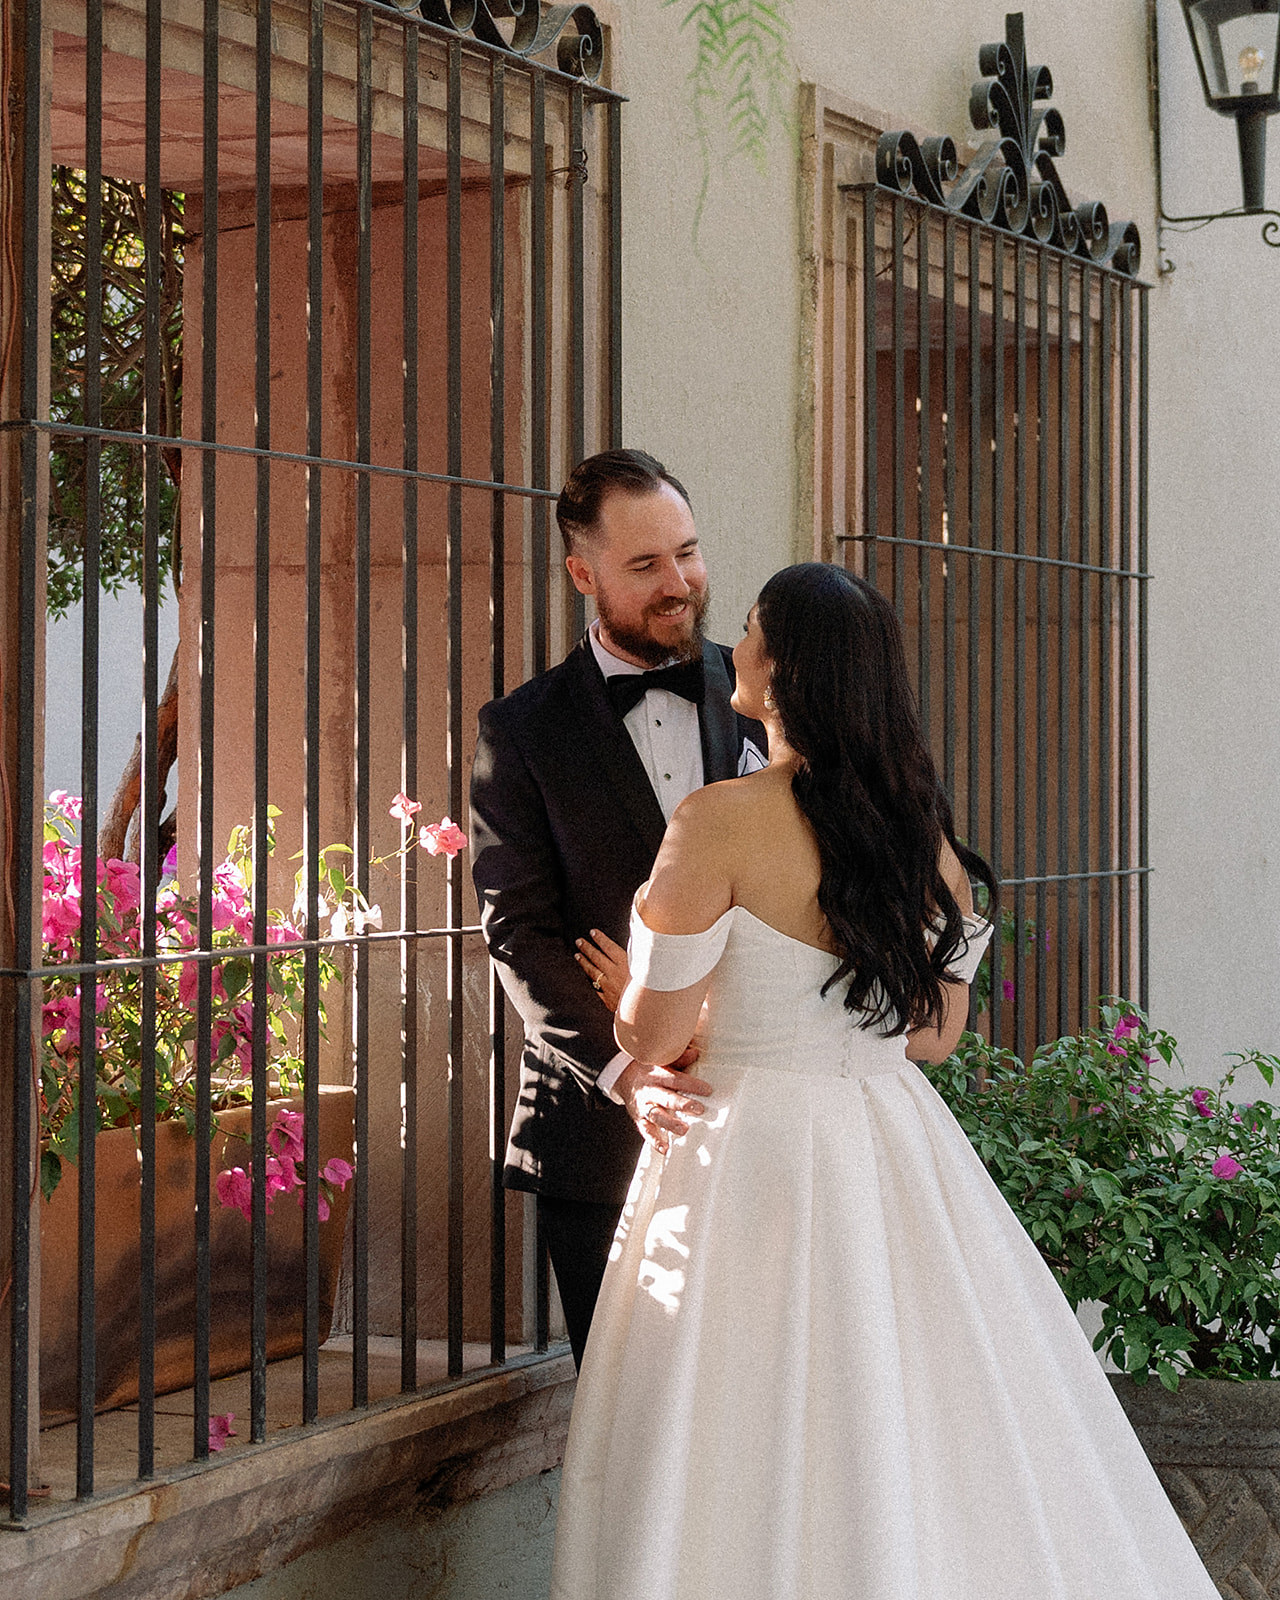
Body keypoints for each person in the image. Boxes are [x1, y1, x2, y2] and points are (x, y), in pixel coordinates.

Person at [550, 562, 1220, 1600]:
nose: (740, 641)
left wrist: (630, 993)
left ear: (789, 673)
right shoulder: (927, 846)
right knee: (910, 1408)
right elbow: (933, 1036)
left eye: (757, 632)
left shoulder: (715, 821)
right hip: (886, 1138)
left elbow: (658, 1027)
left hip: (746, 1153)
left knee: (729, 1418)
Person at [468, 449, 765, 1370]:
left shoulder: (767, 698)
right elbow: (517, 931)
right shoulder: (519, 730)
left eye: (688, 552)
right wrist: (628, 1067)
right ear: (583, 574)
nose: (679, 584)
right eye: (645, 566)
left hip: (757, 1111)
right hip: (596, 1135)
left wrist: (699, 1006)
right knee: (627, 1410)